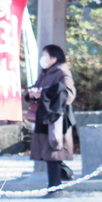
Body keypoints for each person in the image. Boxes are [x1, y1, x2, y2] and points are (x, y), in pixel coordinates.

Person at [28, 45, 76, 194]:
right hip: (44, 115)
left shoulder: (62, 71)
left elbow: (68, 94)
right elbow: (37, 88)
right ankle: (62, 177)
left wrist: (44, 93)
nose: (43, 59)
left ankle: (55, 188)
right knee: (49, 151)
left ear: (54, 58)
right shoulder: (46, 72)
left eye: (45, 56)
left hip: (57, 117)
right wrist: (31, 93)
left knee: (53, 151)